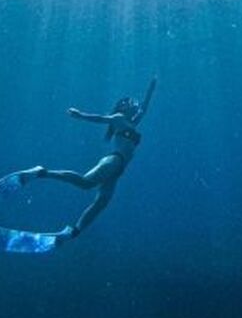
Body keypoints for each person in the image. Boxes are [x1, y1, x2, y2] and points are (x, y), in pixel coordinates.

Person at [19, 77, 156, 243]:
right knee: (85, 183)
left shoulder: (132, 122)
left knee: (102, 202)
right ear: (123, 107)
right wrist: (80, 115)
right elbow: (100, 118)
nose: (134, 104)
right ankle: (41, 172)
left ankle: (74, 231)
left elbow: (144, 107)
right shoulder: (118, 118)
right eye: (130, 103)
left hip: (118, 169)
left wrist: (151, 87)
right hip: (114, 161)